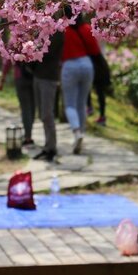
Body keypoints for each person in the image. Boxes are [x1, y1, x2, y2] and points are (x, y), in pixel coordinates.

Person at [61, 9, 100, 154]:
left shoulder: (62, 29)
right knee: (82, 103)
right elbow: (95, 50)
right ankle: (81, 134)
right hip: (86, 64)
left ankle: (77, 132)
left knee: (70, 104)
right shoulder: (86, 28)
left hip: (69, 66)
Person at [31, 30, 65, 162]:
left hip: (49, 77)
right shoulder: (41, 28)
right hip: (38, 74)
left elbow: (47, 51)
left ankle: (52, 147)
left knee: (47, 114)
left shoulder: (58, 32)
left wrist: (34, 45)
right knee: (42, 115)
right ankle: (47, 146)